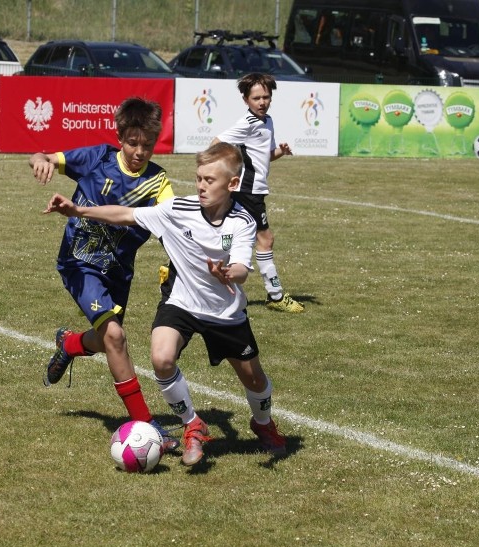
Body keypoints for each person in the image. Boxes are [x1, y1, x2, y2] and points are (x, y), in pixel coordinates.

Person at [43, 142, 288, 467]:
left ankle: (262, 423)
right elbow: (126, 215)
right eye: (199, 178)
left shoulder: (241, 222)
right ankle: (192, 424)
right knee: (161, 358)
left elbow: (241, 267)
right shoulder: (178, 209)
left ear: (232, 184)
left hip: (225, 312)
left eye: (209, 180)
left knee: (255, 380)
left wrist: (227, 272)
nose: (201, 186)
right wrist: (78, 211)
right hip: (182, 304)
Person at [29, 97, 178, 451]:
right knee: (115, 337)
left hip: (118, 272)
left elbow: (174, 223)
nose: (139, 151)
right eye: (132, 142)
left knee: (106, 340)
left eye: (147, 144)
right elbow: (44, 156)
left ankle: (68, 344)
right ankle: (146, 423)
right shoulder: (98, 159)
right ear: (120, 136)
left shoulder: (158, 184)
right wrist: (40, 162)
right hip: (79, 263)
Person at [211, 73, 304, 314]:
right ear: (246, 100)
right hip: (247, 192)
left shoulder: (267, 121)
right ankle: (275, 295)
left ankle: (179, 274)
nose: (262, 102)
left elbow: (265, 155)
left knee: (227, 239)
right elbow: (216, 142)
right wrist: (216, 170)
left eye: (266, 97)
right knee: (264, 240)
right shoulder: (248, 123)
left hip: (254, 191)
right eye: (256, 98)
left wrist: (280, 152)